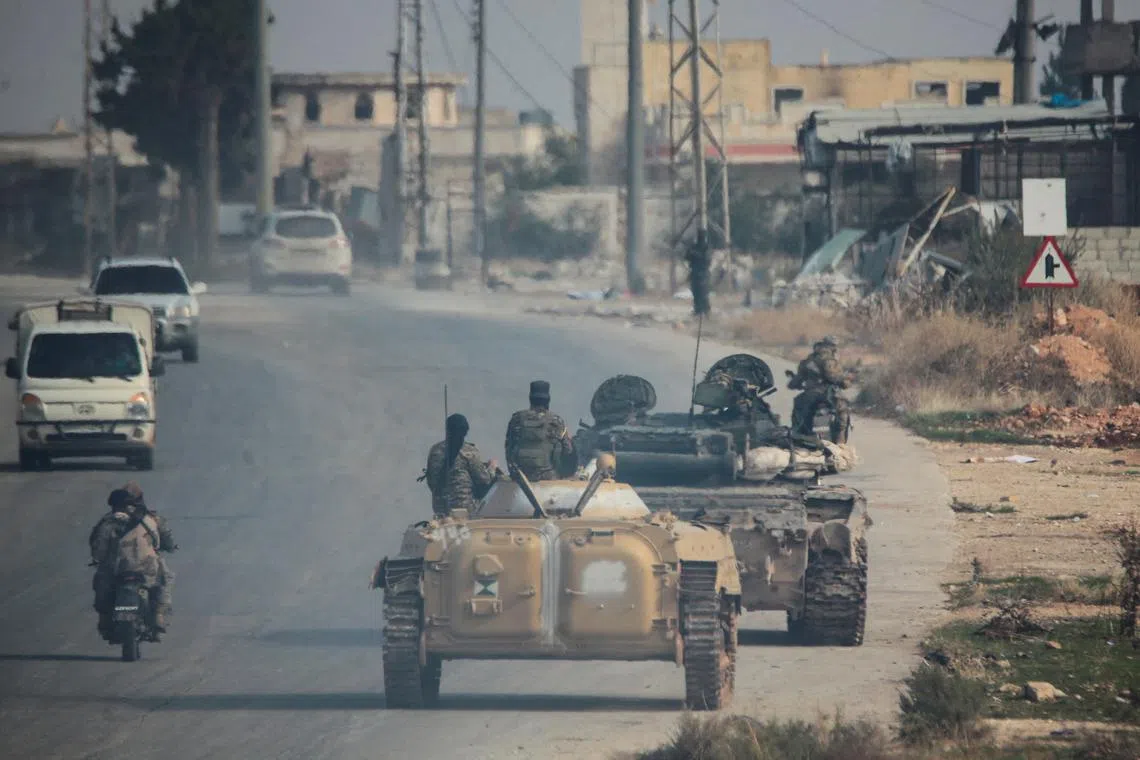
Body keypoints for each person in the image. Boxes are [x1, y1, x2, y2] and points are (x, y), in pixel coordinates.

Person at [88, 483, 176, 641]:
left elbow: (98, 549)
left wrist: (99, 559)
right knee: (165, 580)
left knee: (101, 584)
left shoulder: (107, 523)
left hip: (116, 569)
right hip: (147, 568)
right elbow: (163, 540)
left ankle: (105, 621)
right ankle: (158, 616)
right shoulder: (151, 519)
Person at [425, 413, 498, 517]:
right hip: (466, 508)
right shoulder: (469, 452)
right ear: (466, 432)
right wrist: (492, 468)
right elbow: (485, 481)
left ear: (447, 430)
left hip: (441, 509)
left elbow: (432, 482)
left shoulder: (435, 450)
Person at [505, 380, 576, 481]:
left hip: (521, 478)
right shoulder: (556, 421)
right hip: (547, 478)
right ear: (548, 400)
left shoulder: (516, 419)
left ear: (531, 399)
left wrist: (514, 472)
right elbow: (568, 451)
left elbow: (509, 448)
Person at [787, 335, 852, 444]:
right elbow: (834, 377)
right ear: (833, 347)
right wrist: (845, 382)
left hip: (810, 395)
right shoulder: (830, 360)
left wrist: (793, 383)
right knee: (842, 413)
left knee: (799, 412)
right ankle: (840, 443)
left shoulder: (808, 360)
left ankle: (798, 439)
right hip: (829, 395)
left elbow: (796, 381)